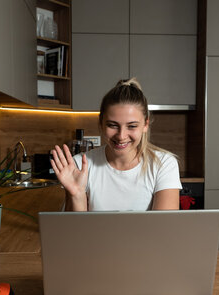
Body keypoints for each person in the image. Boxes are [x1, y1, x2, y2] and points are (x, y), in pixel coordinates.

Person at [50, 78, 182, 211]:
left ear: (145, 125)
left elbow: (163, 228)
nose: (121, 136)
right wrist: (77, 195)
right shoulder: (80, 165)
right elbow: (74, 231)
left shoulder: (163, 164)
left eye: (132, 126)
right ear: (101, 123)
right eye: (112, 125)